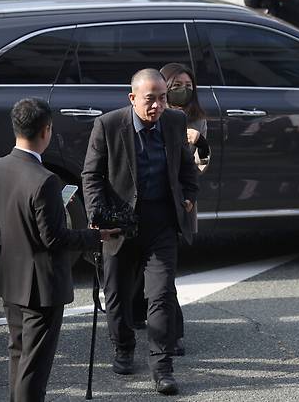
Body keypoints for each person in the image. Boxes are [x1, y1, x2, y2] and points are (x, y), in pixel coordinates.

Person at [0, 98, 118, 402]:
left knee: (18, 355)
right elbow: (54, 239)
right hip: (42, 287)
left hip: (11, 279)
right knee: (35, 367)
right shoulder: (45, 180)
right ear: (46, 130)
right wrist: (94, 237)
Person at [82, 68, 198, 394]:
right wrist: (97, 216)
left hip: (161, 221)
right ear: (132, 98)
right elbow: (91, 176)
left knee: (160, 294)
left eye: (163, 98)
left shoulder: (173, 122)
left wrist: (188, 196)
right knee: (116, 293)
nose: (158, 106)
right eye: (151, 99)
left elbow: (186, 168)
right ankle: (123, 346)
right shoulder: (107, 125)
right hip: (119, 223)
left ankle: (162, 366)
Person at [131, 63, 209, 355]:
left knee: (164, 279)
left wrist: (198, 142)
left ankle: (172, 334)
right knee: (140, 269)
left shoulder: (194, 120)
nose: (183, 90)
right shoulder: (149, 114)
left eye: (188, 85)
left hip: (173, 205)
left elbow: (198, 168)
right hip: (144, 204)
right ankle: (138, 314)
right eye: (177, 85)